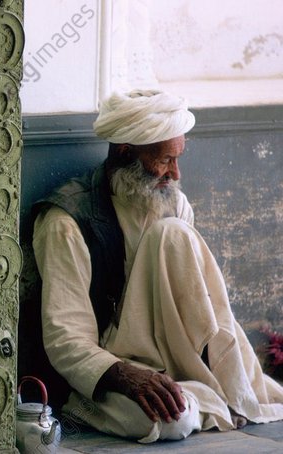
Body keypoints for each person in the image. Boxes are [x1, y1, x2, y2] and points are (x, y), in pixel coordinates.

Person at [32, 89, 283, 443]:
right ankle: (205, 398)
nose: (175, 173)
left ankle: (211, 391)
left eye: (178, 158)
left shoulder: (175, 206)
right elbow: (66, 336)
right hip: (116, 364)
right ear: (125, 153)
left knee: (173, 233)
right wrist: (127, 375)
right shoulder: (66, 221)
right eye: (165, 160)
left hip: (180, 356)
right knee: (171, 420)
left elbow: (202, 306)